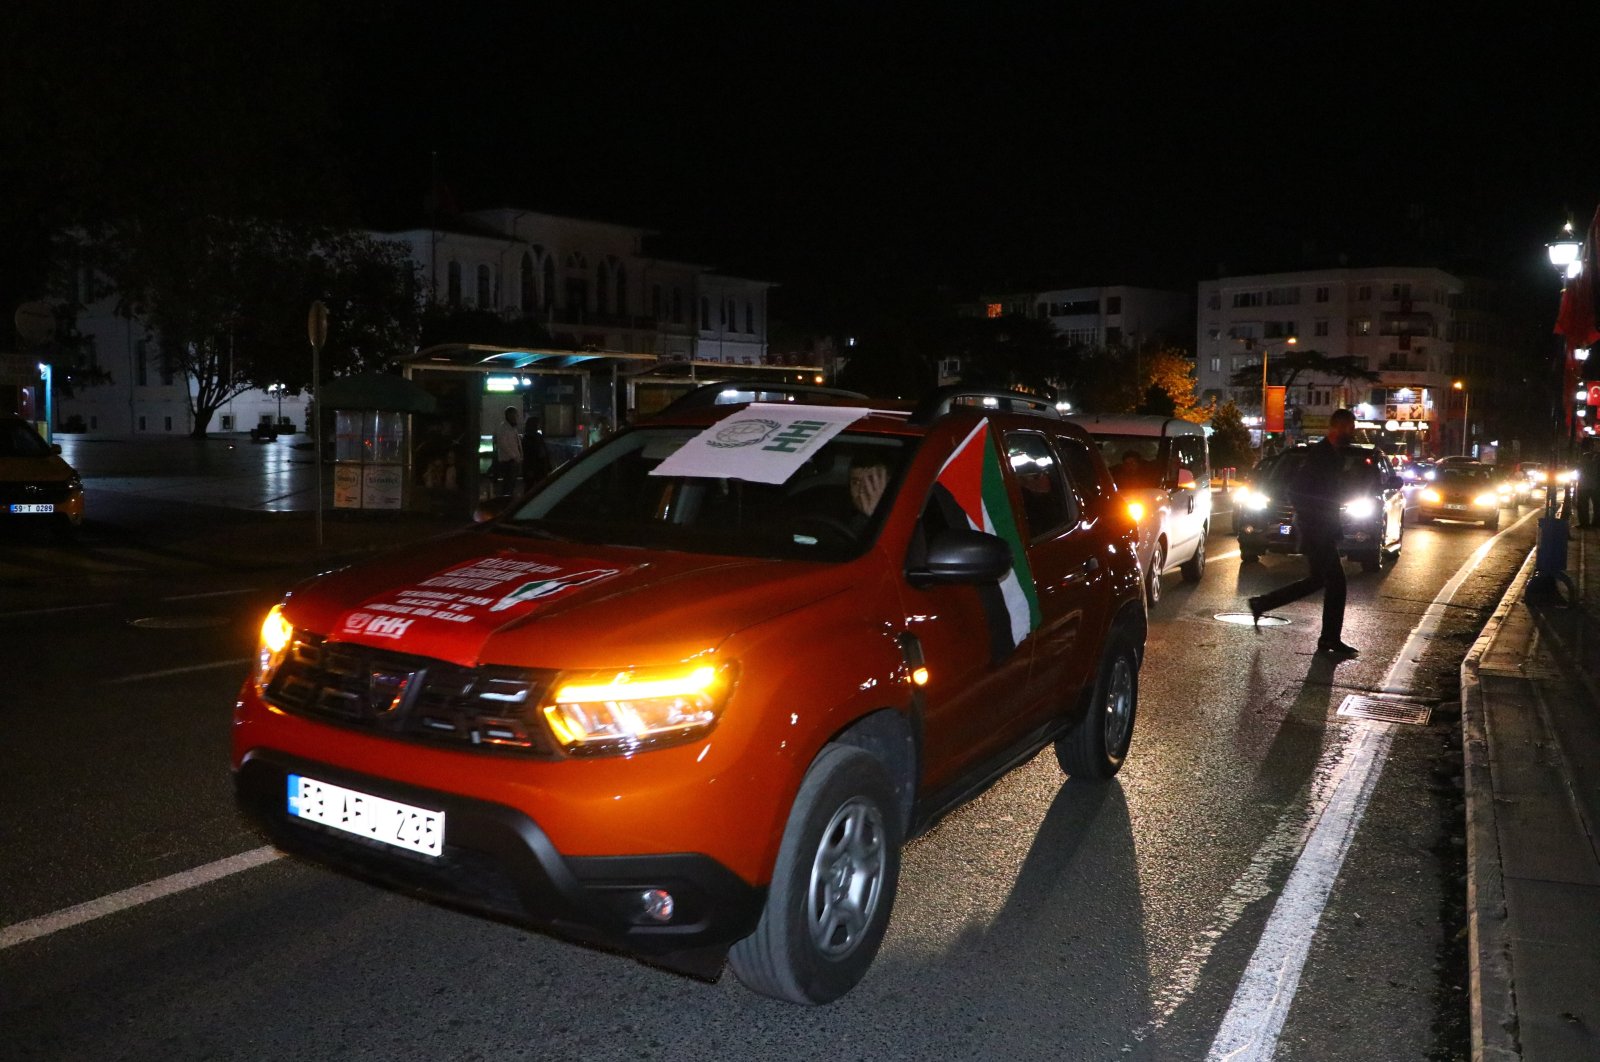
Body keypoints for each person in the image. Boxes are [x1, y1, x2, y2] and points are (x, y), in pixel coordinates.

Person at [1248, 407, 1360, 659]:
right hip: (1316, 531)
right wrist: (1311, 521)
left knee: (1319, 580)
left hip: (1322, 530)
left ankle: (1263, 604)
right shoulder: (1321, 455)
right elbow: (1296, 489)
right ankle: (1329, 638)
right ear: (1337, 427)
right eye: (1350, 428)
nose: (1353, 433)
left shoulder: (1333, 455)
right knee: (1336, 583)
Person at [492, 406, 522, 496]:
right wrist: (514, 456)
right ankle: (506, 503)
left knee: (511, 484)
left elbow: (516, 443)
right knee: (508, 485)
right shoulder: (503, 428)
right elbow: (503, 444)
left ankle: (508, 501)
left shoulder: (512, 428)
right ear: (510, 415)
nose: (517, 417)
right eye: (515, 415)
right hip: (508, 461)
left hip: (513, 460)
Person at [522, 414, 551, 489]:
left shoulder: (528, 437)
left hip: (536, 466)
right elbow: (530, 454)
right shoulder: (532, 437)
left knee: (530, 487)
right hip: (537, 466)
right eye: (538, 424)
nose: (539, 425)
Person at [1576, 438, 1600, 528]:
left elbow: (1579, 468)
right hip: (1593, 484)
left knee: (1583, 505)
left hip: (1586, 484)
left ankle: (1585, 524)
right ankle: (1595, 523)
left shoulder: (1582, 456)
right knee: (1596, 506)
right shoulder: (1592, 456)